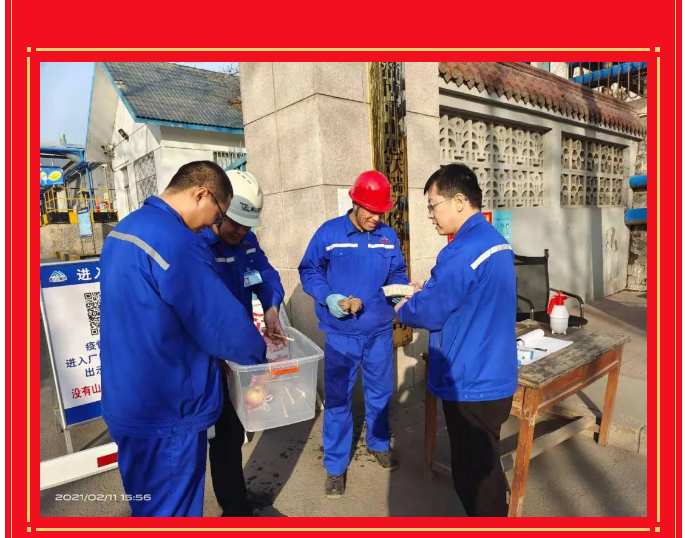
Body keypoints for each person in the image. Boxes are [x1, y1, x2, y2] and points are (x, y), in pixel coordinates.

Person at [99, 161, 267, 517]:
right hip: (168, 407)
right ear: (201, 194)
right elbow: (221, 325)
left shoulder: (124, 230)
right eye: (217, 215)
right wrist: (259, 362)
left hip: (127, 399)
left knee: (147, 508)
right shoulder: (177, 243)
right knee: (172, 512)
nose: (211, 225)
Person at [394, 163, 517, 517]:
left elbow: (431, 313)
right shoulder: (495, 242)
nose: (430, 214)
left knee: (473, 476)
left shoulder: (460, 251)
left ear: (459, 201)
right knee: (486, 464)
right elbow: (468, 296)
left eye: (433, 205)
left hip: (470, 381)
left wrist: (405, 308)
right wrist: (429, 288)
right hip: (495, 373)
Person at [298, 170, 409, 498]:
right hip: (341, 335)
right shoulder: (330, 233)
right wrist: (330, 297)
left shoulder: (387, 236)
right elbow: (309, 270)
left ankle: (378, 443)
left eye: (381, 212)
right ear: (356, 203)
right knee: (337, 399)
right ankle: (335, 465)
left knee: (380, 393)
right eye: (371, 211)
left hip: (379, 332)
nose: (376, 218)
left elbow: (397, 271)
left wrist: (401, 293)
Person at [199, 170, 286, 517]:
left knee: (231, 432)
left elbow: (265, 274)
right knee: (207, 437)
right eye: (235, 223)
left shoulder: (246, 241)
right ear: (220, 212)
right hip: (208, 358)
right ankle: (225, 511)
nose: (240, 231)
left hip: (237, 355)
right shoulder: (198, 243)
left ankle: (235, 503)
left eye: (248, 225)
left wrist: (272, 307)